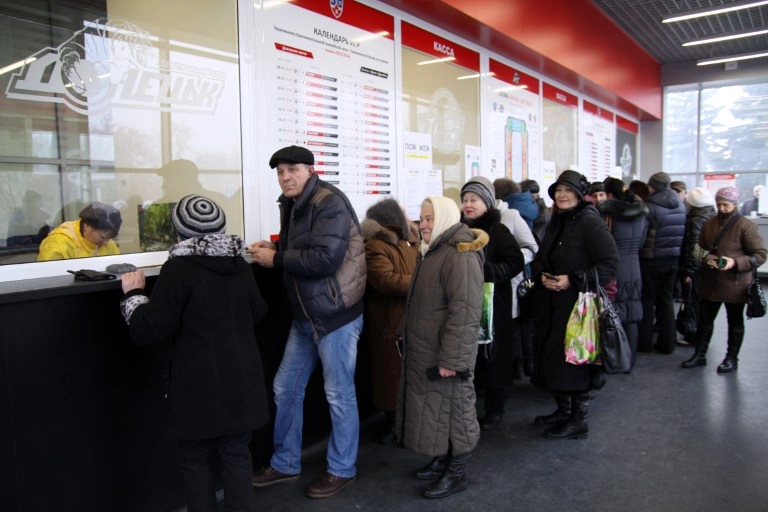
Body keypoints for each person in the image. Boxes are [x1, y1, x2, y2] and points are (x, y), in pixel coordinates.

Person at [119, 194, 269, 512]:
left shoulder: (178, 269)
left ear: (178, 233)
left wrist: (133, 294)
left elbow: (149, 329)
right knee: (237, 454)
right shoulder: (239, 264)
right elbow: (258, 311)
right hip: (242, 380)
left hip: (196, 386)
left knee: (195, 458)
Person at [247, 145, 366, 499]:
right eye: (281, 172)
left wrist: (277, 258)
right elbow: (306, 242)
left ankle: (342, 468)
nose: (286, 177)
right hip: (307, 315)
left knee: (339, 394)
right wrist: (273, 245)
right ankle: (285, 463)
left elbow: (325, 258)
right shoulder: (294, 203)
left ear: (311, 170)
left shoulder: (329, 201)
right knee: (285, 387)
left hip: (336, 315)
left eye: (292, 170)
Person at [396, 196, 486, 499]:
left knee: (456, 410)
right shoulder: (432, 251)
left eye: (430, 219)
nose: (423, 225)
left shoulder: (460, 255)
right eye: (421, 219)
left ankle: (457, 470)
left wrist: (453, 359)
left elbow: (466, 312)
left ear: (445, 218)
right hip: (428, 348)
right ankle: (443, 457)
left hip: (446, 353)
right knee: (437, 409)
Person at [530, 170, 619, 440]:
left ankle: (578, 419)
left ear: (580, 195)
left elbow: (611, 264)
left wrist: (573, 280)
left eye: (568, 190)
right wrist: (542, 273)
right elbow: (543, 255)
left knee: (575, 360)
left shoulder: (590, 223)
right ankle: (563, 410)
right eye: (558, 190)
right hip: (552, 303)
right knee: (555, 358)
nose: (562, 194)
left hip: (578, 306)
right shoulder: (558, 220)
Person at [460, 176, 524, 430]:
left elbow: (515, 261)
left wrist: (489, 272)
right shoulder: (459, 231)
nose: (468, 205)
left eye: (474, 199)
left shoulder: (499, 231)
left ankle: (495, 407)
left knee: (494, 357)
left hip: (494, 305)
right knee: (472, 355)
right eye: (465, 200)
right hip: (466, 303)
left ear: (486, 202)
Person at [681, 187, 767, 373]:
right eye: (719, 204)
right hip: (710, 282)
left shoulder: (746, 225)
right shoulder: (709, 223)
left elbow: (760, 255)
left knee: (734, 322)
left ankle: (731, 358)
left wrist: (735, 262)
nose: (722, 208)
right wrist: (707, 259)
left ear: (734, 204)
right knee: (704, 321)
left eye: (725, 204)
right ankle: (699, 355)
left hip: (736, 284)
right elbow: (700, 249)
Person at [360, 198, 418, 445]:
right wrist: (421, 282)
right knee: (390, 376)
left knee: (403, 374)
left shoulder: (411, 242)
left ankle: (404, 424)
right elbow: (384, 280)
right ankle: (393, 424)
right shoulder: (376, 245)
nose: (408, 218)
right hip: (389, 321)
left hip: (407, 318)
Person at [598, 177, 649, 368]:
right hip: (634, 265)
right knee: (632, 313)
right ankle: (630, 360)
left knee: (613, 312)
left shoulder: (608, 213)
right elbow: (643, 242)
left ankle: (614, 357)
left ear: (609, 194)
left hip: (615, 266)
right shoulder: (641, 213)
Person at [638, 172, 686, 354]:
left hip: (651, 260)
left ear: (652, 187)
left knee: (648, 301)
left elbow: (642, 237)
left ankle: (644, 343)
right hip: (673, 260)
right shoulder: (681, 206)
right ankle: (668, 344)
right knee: (666, 301)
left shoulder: (650, 206)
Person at [678, 187, 717, 345]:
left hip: (696, 269)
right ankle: (701, 335)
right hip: (708, 267)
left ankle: (693, 335)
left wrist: (688, 271)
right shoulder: (713, 216)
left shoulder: (695, 219)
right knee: (703, 304)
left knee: (693, 302)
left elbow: (693, 248)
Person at [37, 201, 122, 261]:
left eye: (109, 238)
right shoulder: (58, 245)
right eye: (102, 237)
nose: (106, 243)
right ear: (87, 226)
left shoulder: (106, 242)